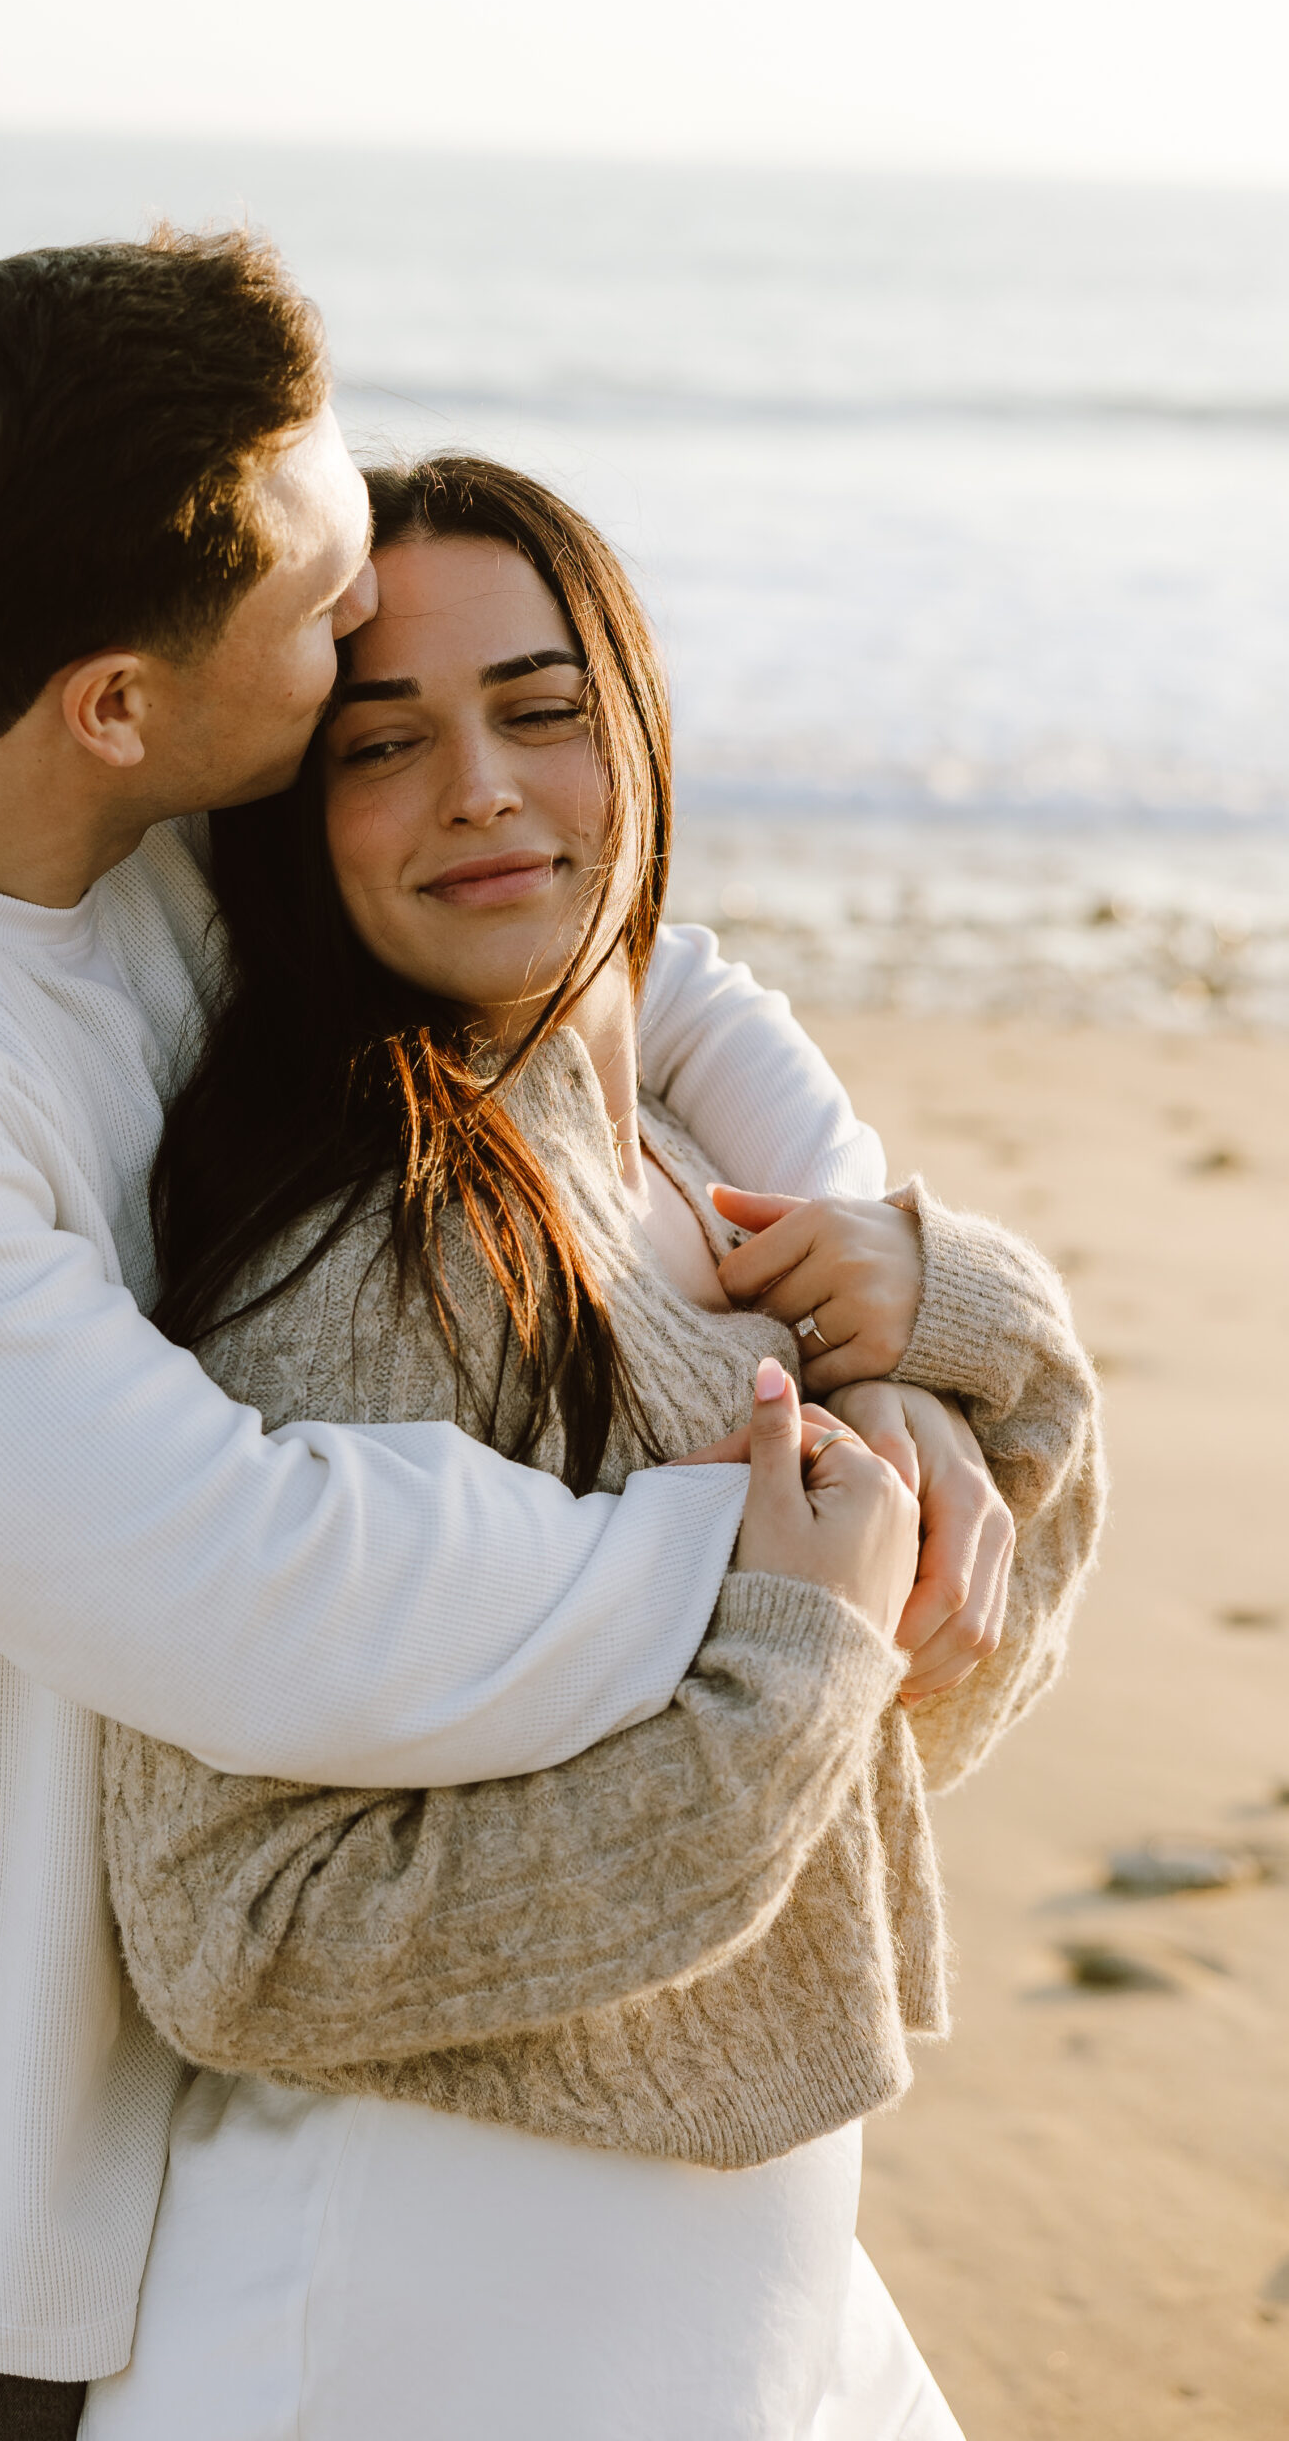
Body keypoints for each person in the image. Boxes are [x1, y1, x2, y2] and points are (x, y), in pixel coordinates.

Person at [0, 232, 1009, 2437]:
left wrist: (870, 1290)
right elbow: (245, 1580)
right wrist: (758, 1542)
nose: (365, 632)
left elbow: (644, 962)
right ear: (118, 701)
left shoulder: (119, 823)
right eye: (328, 622)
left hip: (170, 2137)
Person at [84, 458, 1104, 2440]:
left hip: (717, 2278)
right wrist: (785, 1669)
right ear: (295, 819)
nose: (484, 784)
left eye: (544, 709)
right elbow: (238, 1934)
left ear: (635, 727)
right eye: (385, 744)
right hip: (430, 2313)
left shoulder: (648, 1147)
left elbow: (928, 1696)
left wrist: (945, 1311)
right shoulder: (369, 1253)